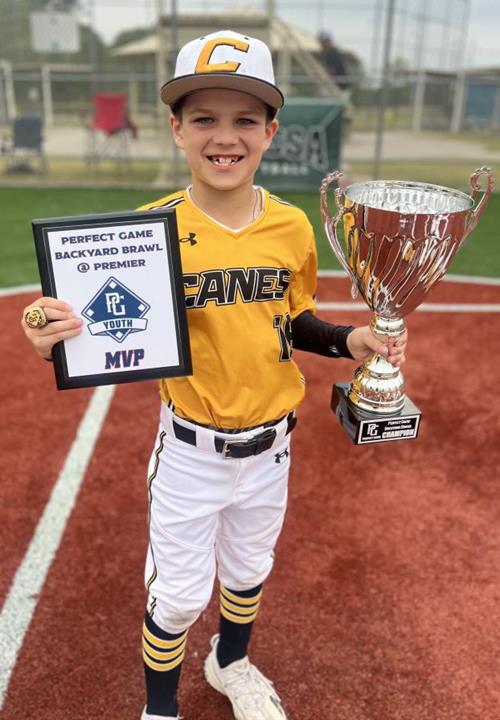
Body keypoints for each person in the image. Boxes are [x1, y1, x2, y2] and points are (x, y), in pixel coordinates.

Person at [22, 30, 407, 720]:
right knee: (176, 597)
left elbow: (290, 320)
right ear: (176, 129)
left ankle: (230, 663)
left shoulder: (291, 227)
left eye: (244, 120)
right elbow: (103, 329)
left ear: (270, 132)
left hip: (273, 446)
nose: (224, 137)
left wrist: (351, 339)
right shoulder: (147, 232)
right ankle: (160, 708)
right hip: (191, 452)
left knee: (250, 571)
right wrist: (52, 338)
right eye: (203, 118)